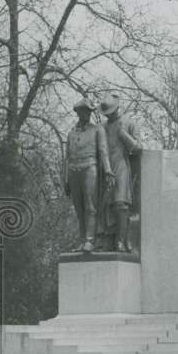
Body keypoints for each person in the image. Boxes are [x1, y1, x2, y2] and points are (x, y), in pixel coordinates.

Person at [64, 97, 113, 253]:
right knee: (79, 208)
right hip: (73, 169)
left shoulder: (97, 130)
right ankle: (82, 239)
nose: (86, 114)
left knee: (90, 206)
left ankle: (90, 240)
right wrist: (65, 178)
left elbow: (103, 151)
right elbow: (67, 157)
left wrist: (107, 170)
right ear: (78, 112)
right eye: (83, 111)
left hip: (89, 167)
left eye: (88, 111)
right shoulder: (71, 133)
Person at [97, 94, 142, 252]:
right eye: (106, 113)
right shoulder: (102, 127)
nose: (109, 115)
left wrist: (124, 135)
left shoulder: (128, 122)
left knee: (120, 204)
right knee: (105, 206)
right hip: (105, 168)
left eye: (111, 112)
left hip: (122, 164)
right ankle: (107, 240)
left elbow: (138, 148)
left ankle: (121, 241)